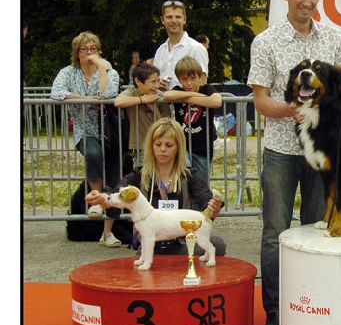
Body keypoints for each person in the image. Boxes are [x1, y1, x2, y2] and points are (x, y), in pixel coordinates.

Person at [247, 0, 341, 325]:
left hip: (322, 153)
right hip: (281, 151)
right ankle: (275, 311)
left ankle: (315, 305)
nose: (307, 2)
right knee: (275, 232)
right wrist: (295, 110)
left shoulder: (334, 38)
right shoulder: (266, 42)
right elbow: (260, 101)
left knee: (316, 229)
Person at [85, 118, 226, 257]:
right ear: (151, 146)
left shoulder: (189, 175)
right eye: (158, 144)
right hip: (149, 245)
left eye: (169, 145)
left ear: (179, 148)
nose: (162, 149)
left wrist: (214, 207)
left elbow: (207, 203)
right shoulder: (139, 174)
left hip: (182, 244)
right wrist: (102, 198)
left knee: (217, 244)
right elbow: (117, 193)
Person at [50, 31, 121, 232]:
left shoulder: (110, 72)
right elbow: (57, 92)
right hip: (84, 129)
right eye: (84, 49)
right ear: (77, 52)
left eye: (93, 49)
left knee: (114, 177)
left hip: (110, 130)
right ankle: (95, 199)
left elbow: (108, 94)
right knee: (93, 153)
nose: (89, 53)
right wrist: (84, 99)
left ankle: (109, 233)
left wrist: (101, 67)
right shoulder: (68, 72)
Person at [171, 55, 222, 183]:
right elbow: (167, 95)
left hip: (203, 148)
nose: (189, 83)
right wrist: (192, 94)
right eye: (184, 79)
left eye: (193, 78)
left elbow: (216, 102)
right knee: (185, 176)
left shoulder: (207, 89)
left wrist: (187, 98)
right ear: (179, 80)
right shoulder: (178, 90)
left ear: (200, 77)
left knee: (201, 183)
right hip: (183, 145)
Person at [114, 63, 173, 164]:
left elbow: (165, 122)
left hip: (160, 142)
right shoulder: (132, 92)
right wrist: (142, 99)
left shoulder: (158, 95)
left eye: (158, 81)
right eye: (153, 82)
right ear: (138, 81)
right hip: (140, 144)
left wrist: (154, 109)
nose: (157, 86)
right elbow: (118, 102)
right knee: (144, 170)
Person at [154, 0, 209, 90]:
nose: (173, 21)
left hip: (189, 99)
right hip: (163, 99)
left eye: (178, 17)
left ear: (184, 19)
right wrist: (157, 83)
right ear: (162, 20)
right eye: (169, 17)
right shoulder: (160, 51)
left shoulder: (196, 48)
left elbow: (202, 85)